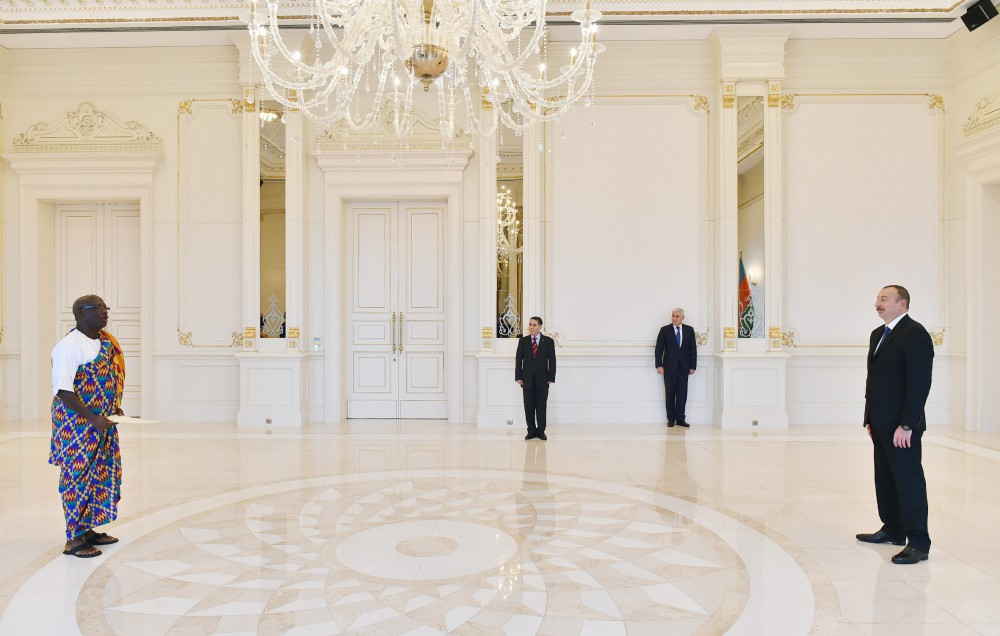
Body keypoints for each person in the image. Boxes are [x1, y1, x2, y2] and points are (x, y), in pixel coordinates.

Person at [856, 285, 934, 565]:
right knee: (885, 478)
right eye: (878, 298)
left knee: (908, 481)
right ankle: (893, 529)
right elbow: (874, 382)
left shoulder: (915, 334)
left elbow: (919, 383)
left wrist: (908, 424)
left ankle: (919, 543)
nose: (878, 303)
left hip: (902, 426)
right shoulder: (877, 334)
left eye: (884, 299)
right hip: (879, 423)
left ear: (902, 303)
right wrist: (869, 418)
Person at [49, 295, 126, 558]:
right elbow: (63, 390)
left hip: (101, 423)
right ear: (81, 313)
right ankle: (74, 539)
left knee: (99, 474)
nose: (105, 312)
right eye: (98, 308)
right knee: (77, 478)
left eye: (106, 307)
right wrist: (93, 418)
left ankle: (87, 529)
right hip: (77, 426)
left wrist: (112, 408)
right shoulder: (68, 346)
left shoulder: (104, 342)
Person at [655, 308, 697, 427]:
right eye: (673, 316)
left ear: (683, 318)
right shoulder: (664, 330)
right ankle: (671, 419)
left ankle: (680, 419)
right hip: (669, 367)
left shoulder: (689, 330)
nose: (674, 318)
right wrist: (659, 365)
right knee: (670, 393)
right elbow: (659, 349)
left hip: (684, 368)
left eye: (677, 316)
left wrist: (692, 366)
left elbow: (693, 349)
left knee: (682, 394)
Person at [515, 316, 556, 441]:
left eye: (534, 325)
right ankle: (531, 431)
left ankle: (541, 431)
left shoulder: (548, 341)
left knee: (541, 406)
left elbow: (552, 360)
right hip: (526, 380)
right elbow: (518, 360)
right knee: (529, 407)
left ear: (540, 326)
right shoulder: (523, 341)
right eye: (530, 324)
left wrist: (551, 377)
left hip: (543, 380)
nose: (531, 327)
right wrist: (518, 376)